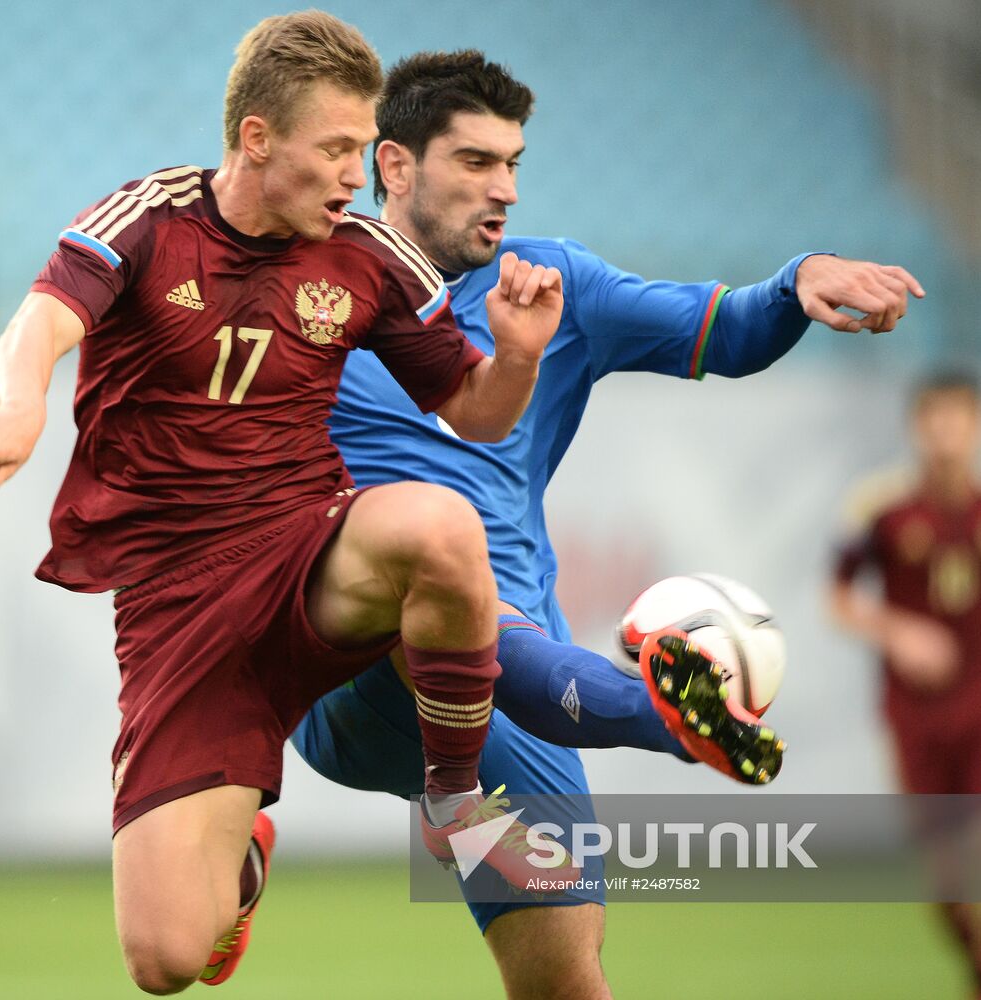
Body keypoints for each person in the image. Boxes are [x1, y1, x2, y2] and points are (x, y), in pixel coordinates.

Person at [0, 13, 567, 996]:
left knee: (440, 524)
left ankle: (450, 801)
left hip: (305, 553)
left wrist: (520, 357)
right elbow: (42, 319)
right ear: (255, 139)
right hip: (179, 612)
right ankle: (239, 866)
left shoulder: (366, 256)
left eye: (363, 151)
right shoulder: (149, 220)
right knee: (165, 960)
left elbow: (475, 413)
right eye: (335, 149)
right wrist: (20, 407)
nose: (354, 176)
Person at [290, 50, 924, 1000]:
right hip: (349, 669)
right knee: (421, 566)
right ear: (392, 165)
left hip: (521, 698)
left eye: (512, 164)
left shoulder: (551, 286)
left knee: (566, 985)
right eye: (473, 163)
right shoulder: (304, 289)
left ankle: (470, 800)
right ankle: (661, 714)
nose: (500, 188)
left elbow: (724, 329)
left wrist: (797, 282)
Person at [831, 371, 981, 1000]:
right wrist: (898, 630)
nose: (945, 435)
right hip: (914, 714)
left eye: (958, 420)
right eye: (934, 421)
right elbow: (839, 599)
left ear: (980, 427)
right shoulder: (878, 508)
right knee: (946, 878)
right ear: (916, 428)